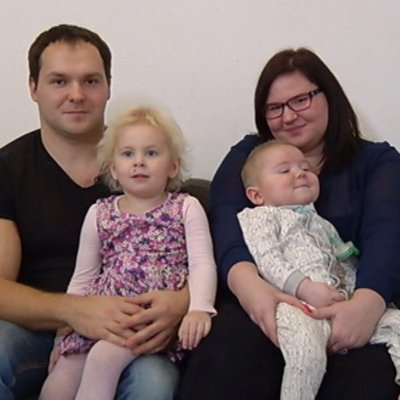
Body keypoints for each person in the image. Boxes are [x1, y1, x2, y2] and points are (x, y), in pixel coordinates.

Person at [178, 47, 400, 400]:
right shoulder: (250, 155)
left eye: (300, 100)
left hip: (351, 303)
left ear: (328, 96)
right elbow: (224, 219)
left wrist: (366, 304)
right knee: (224, 365)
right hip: (265, 299)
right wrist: (251, 288)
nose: (289, 116)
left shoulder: (377, 161)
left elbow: (387, 234)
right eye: (275, 107)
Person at [0, 24, 188, 400]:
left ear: (108, 86)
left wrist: (182, 303)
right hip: (38, 330)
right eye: (59, 81)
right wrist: (74, 311)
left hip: (132, 332)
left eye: (90, 81)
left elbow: (191, 252)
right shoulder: (8, 169)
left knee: (154, 383)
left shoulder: (144, 158)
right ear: (33, 88)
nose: (76, 94)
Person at [39, 105, 217, 400]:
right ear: (113, 169)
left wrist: (200, 308)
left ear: (173, 166)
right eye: (127, 154)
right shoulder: (99, 212)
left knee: (103, 359)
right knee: (61, 377)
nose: (139, 162)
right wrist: (63, 332)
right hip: (102, 315)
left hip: (147, 320)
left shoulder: (185, 207)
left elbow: (202, 263)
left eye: (151, 153)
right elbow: (83, 277)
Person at [238, 140, 400, 399]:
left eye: (305, 168)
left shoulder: (323, 223)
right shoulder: (260, 217)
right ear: (257, 195)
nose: (300, 173)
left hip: (343, 307)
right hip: (297, 306)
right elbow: (267, 260)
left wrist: (356, 297)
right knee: (306, 352)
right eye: (285, 170)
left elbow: (344, 261)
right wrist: (304, 288)